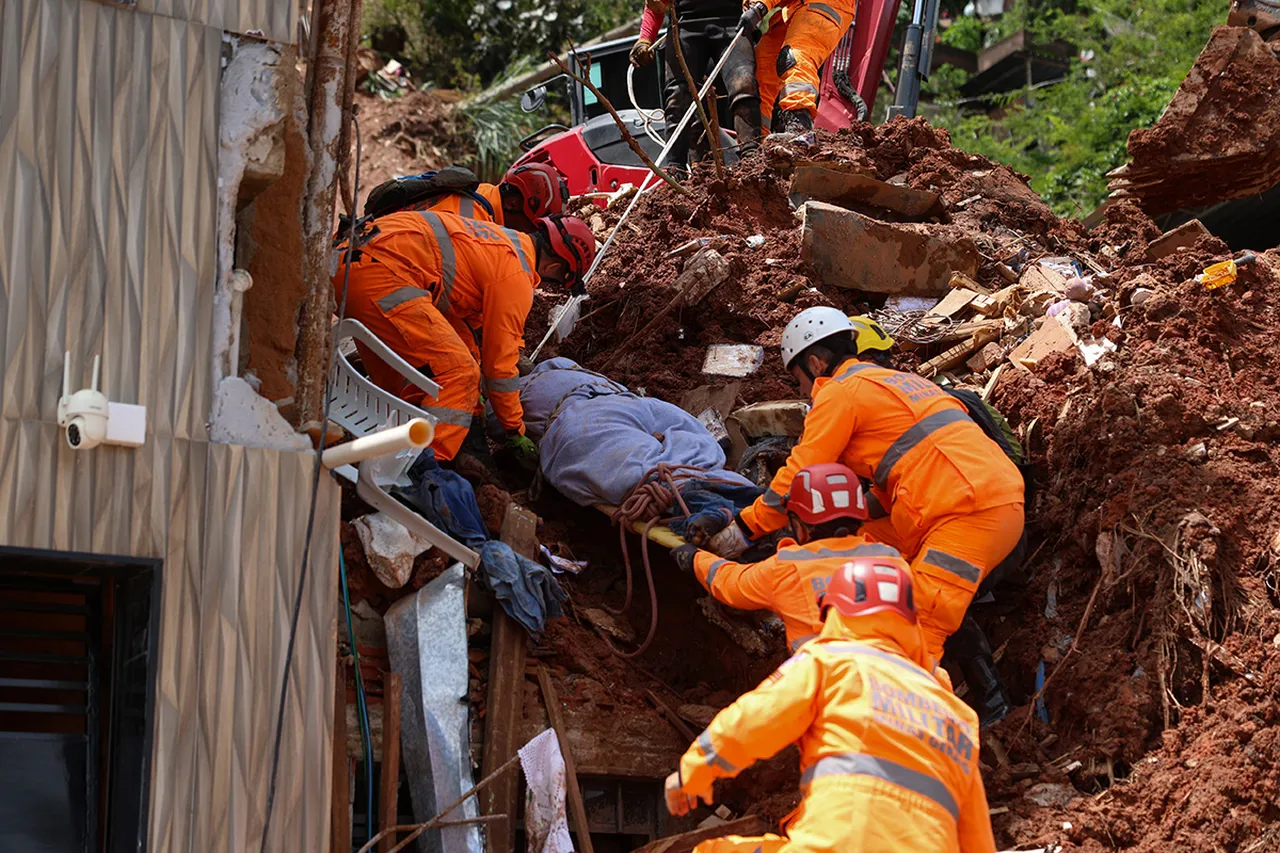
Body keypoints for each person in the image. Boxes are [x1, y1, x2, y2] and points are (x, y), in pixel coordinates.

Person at [697, 307, 1025, 666]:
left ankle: (957, 712)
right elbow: (903, 473)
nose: (804, 390)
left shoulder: (839, 393)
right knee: (854, 548)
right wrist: (850, 520)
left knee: (919, 625)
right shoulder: (897, 382)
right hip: (980, 498)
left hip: (964, 513)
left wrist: (744, 530)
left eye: (799, 379)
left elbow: (798, 477)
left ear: (817, 364)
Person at [663, 555, 996, 853]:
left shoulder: (829, 660)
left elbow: (753, 720)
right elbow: (977, 838)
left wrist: (691, 773)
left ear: (834, 611)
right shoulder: (957, 712)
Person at [331, 210, 595, 466]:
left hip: (347, 260)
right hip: (380, 275)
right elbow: (499, 369)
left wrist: (473, 405)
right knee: (460, 373)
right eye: (557, 281)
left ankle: (380, 453)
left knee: (398, 389)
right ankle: (424, 468)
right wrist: (514, 429)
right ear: (554, 266)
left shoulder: (497, 242)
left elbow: (459, 326)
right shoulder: (516, 274)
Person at [672, 462, 902, 652]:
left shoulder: (789, 568)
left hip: (825, 691)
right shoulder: (893, 560)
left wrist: (694, 559)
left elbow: (731, 584)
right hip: (900, 690)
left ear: (800, 527)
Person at [630, 0, 763, 171]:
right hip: (685, 25)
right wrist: (645, 38)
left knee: (744, 84)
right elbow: (655, 4)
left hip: (733, 23)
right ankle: (675, 169)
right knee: (678, 97)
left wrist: (757, 9)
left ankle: (751, 159)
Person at [739, 0, 856, 133]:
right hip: (793, 9)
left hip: (825, 5)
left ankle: (799, 127)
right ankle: (756, 138)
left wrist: (760, 7)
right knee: (760, 70)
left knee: (795, 56)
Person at [418, 162, 570, 232]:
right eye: (532, 227)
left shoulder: (483, 192)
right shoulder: (474, 226)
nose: (530, 234)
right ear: (513, 203)